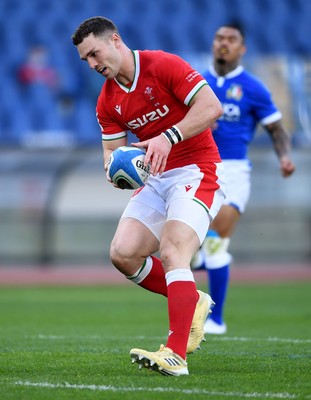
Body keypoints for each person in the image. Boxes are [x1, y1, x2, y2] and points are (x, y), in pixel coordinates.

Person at [72, 16, 226, 376]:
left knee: (173, 251)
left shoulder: (162, 65)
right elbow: (111, 157)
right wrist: (118, 172)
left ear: (115, 40)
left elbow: (211, 108)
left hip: (196, 169)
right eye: (86, 61)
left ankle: (175, 355)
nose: (93, 64)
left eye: (95, 53)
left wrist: (167, 137)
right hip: (155, 180)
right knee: (122, 254)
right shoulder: (107, 101)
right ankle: (191, 299)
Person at [191, 23, 296, 335]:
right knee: (194, 240)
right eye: (219, 38)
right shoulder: (196, 82)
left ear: (242, 48)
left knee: (215, 241)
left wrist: (285, 157)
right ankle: (194, 255)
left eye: (231, 39)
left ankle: (217, 319)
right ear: (213, 44)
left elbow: (276, 129)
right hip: (196, 167)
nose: (224, 43)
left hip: (234, 171)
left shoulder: (253, 87)